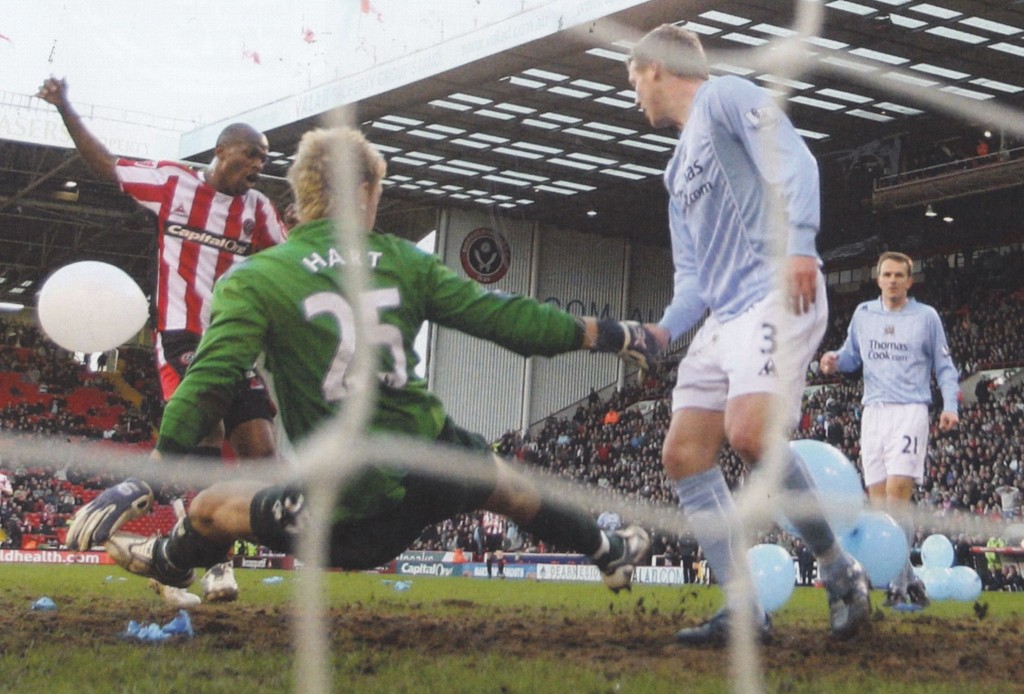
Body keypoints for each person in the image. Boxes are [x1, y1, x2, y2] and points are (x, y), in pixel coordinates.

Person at [66, 125, 655, 597]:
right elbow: (511, 322)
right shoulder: (404, 261)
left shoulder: (256, 278)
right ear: (369, 191)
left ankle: (171, 559)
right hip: (431, 464)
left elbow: (212, 379)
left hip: (345, 508)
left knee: (212, 505)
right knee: (504, 483)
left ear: (300, 197)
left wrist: (151, 473)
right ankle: (608, 551)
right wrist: (615, 333)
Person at [624, 24, 871, 646]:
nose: (633, 97)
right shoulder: (675, 174)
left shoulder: (727, 96)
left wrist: (803, 244)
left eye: (632, 80)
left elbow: (796, 160)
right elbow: (694, 282)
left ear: (655, 67)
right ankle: (744, 610)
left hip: (775, 290)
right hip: (725, 316)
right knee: (683, 455)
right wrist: (662, 330)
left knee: (748, 433)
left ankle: (841, 572)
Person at [37, 77, 289, 607]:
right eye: (251, 155)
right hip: (181, 336)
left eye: (264, 160)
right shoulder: (172, 185)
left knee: (264, 461)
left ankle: (193, 550)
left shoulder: (258, 211)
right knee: (205, 433)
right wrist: (65, 107)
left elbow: (286, 264)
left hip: (232, 340)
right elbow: (106, 165)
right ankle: (211, 562)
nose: (258, 166)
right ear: (221, 151)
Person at [820, 251, 960, 609]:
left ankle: (897, 585)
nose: (894, 280)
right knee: (879, 505)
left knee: (898, 496)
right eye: (887, 274)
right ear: (878, 278)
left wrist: (950, 406)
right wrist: (834, 359)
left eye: (900, 275)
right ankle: (910, 580)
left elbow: (944, 366)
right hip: (873, 413)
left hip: (910, 410)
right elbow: (852, 357)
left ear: (910, 281)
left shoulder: (925, 317)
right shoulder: (864, 314)